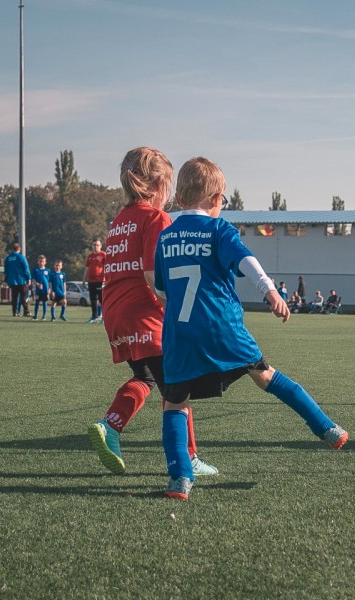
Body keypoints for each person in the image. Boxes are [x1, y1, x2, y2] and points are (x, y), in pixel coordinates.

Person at [154, 156, 348, 500]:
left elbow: (161, 290)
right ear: (216, 200)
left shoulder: (166, 236)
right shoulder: (219, 229)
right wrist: (270, 290)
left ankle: (180, 480)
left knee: (175, 404)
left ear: (179, 198)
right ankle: (327, 429)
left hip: (179, 335)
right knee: (266, 376)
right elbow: (247, 261)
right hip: (222, 329)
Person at [87, 146, 215, 477]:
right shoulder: (156, 218)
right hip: (144, 313)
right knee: (178, 387)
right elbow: (151, 274)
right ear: (158, 185)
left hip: (115, 311)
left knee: (145, 377)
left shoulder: (119, 221)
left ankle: (111, 426)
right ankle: (189, 459)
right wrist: (177, 309)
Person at [3, 243, 30, 317]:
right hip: (21, 280)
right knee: (23, 297)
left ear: (13, 249)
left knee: (14, 298)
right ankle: (26, 312)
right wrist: (28, 278)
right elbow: (26, 268)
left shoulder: (8, 258)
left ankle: (14, 312)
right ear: (20, 249)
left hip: (12, 281)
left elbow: (6, 270)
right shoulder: (21, 257)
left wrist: (6, 279)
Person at [84, 239, 106, 324]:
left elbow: (107, 266)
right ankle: (94, 316)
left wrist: (106, 278)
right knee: (93, 299)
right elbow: (87, 268)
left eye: (97, 245)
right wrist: (84, 279)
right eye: (94, 245)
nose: (95, 246)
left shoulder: (103, 254)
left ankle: (104, 317)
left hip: (100, 280)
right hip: (91, 281)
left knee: (102, 299)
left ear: (101, 246)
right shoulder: (90, 256)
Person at [31, 255, 51, 321]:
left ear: (45, 262)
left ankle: (44, 316)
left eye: (43, 261)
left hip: (45, 290)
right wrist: (37, 284)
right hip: (38, 290)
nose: (41, 263)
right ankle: (35, 316)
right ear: (38, 262)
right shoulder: (36, 270)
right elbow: (33, 279)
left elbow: (50, 281)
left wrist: (50, 289)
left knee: (44, 302)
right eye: (40, 261)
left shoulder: (48, 270)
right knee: (37, 302)